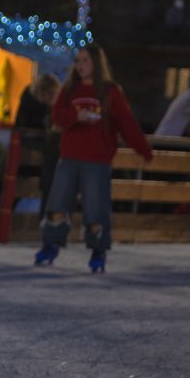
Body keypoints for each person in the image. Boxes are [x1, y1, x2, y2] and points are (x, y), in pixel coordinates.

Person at [34, 44, 153, 273]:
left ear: (97, 63)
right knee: (58, 203)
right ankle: (50, 245)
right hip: (70, 157)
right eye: (78, 61)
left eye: (85, 60)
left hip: (97, 159)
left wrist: (142, 149)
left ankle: (98, 251)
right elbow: (57, 117)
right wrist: (75, 116)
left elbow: (127, 124)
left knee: (96, 208)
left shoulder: (110, 91)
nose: (80, 65)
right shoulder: (69, 89)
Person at [15, 73, 62, 219]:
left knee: (54, 151)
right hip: (29, 140)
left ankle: (47, 195)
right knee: (52, 151)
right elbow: (22, 126)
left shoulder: (49, 105)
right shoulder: (30, 99)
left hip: (43, 143)